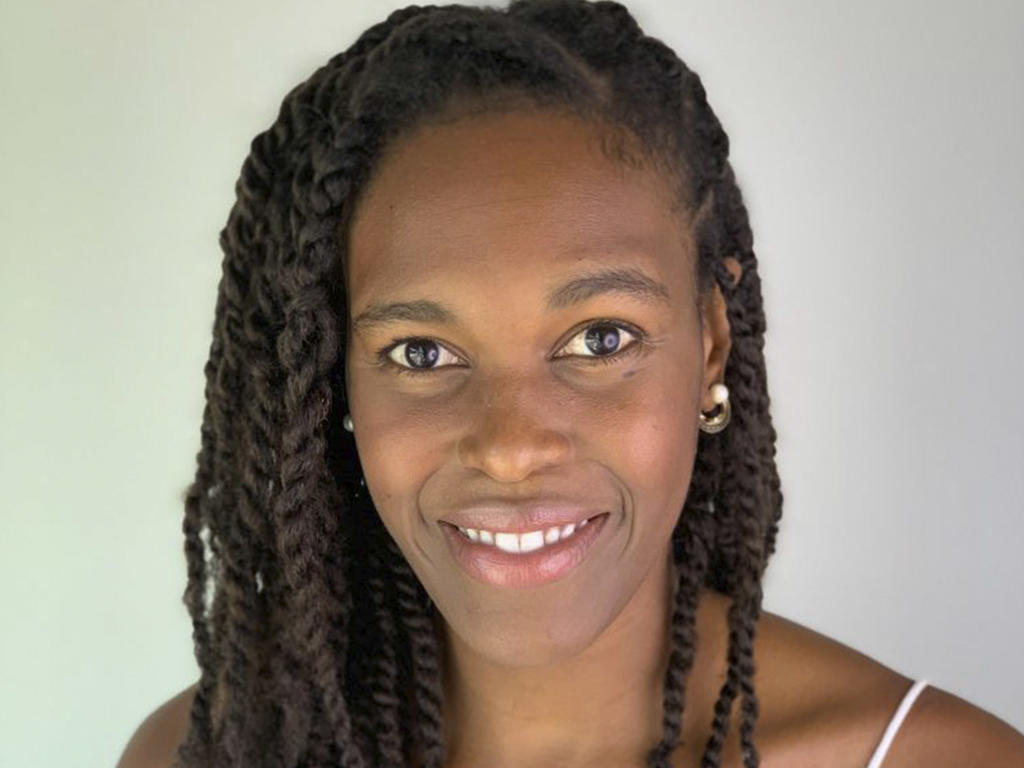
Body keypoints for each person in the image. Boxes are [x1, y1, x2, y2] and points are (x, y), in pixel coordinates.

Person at [116, 1, 1024, 766]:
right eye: (422, 352)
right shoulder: (207, 752)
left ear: (710, 344)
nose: (511, 446)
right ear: (333, 384)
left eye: (600, 338)